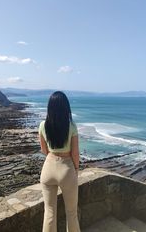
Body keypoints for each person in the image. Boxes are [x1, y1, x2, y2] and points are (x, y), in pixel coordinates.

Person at [39, 91, 81, 232]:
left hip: (48, 168)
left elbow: (44, 150)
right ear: (66, 107)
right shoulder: (71, 126)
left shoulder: (42, 125)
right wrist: (76, 169)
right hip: (66, 167)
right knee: (71, 213)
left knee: (49, 212)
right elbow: (75, 154)